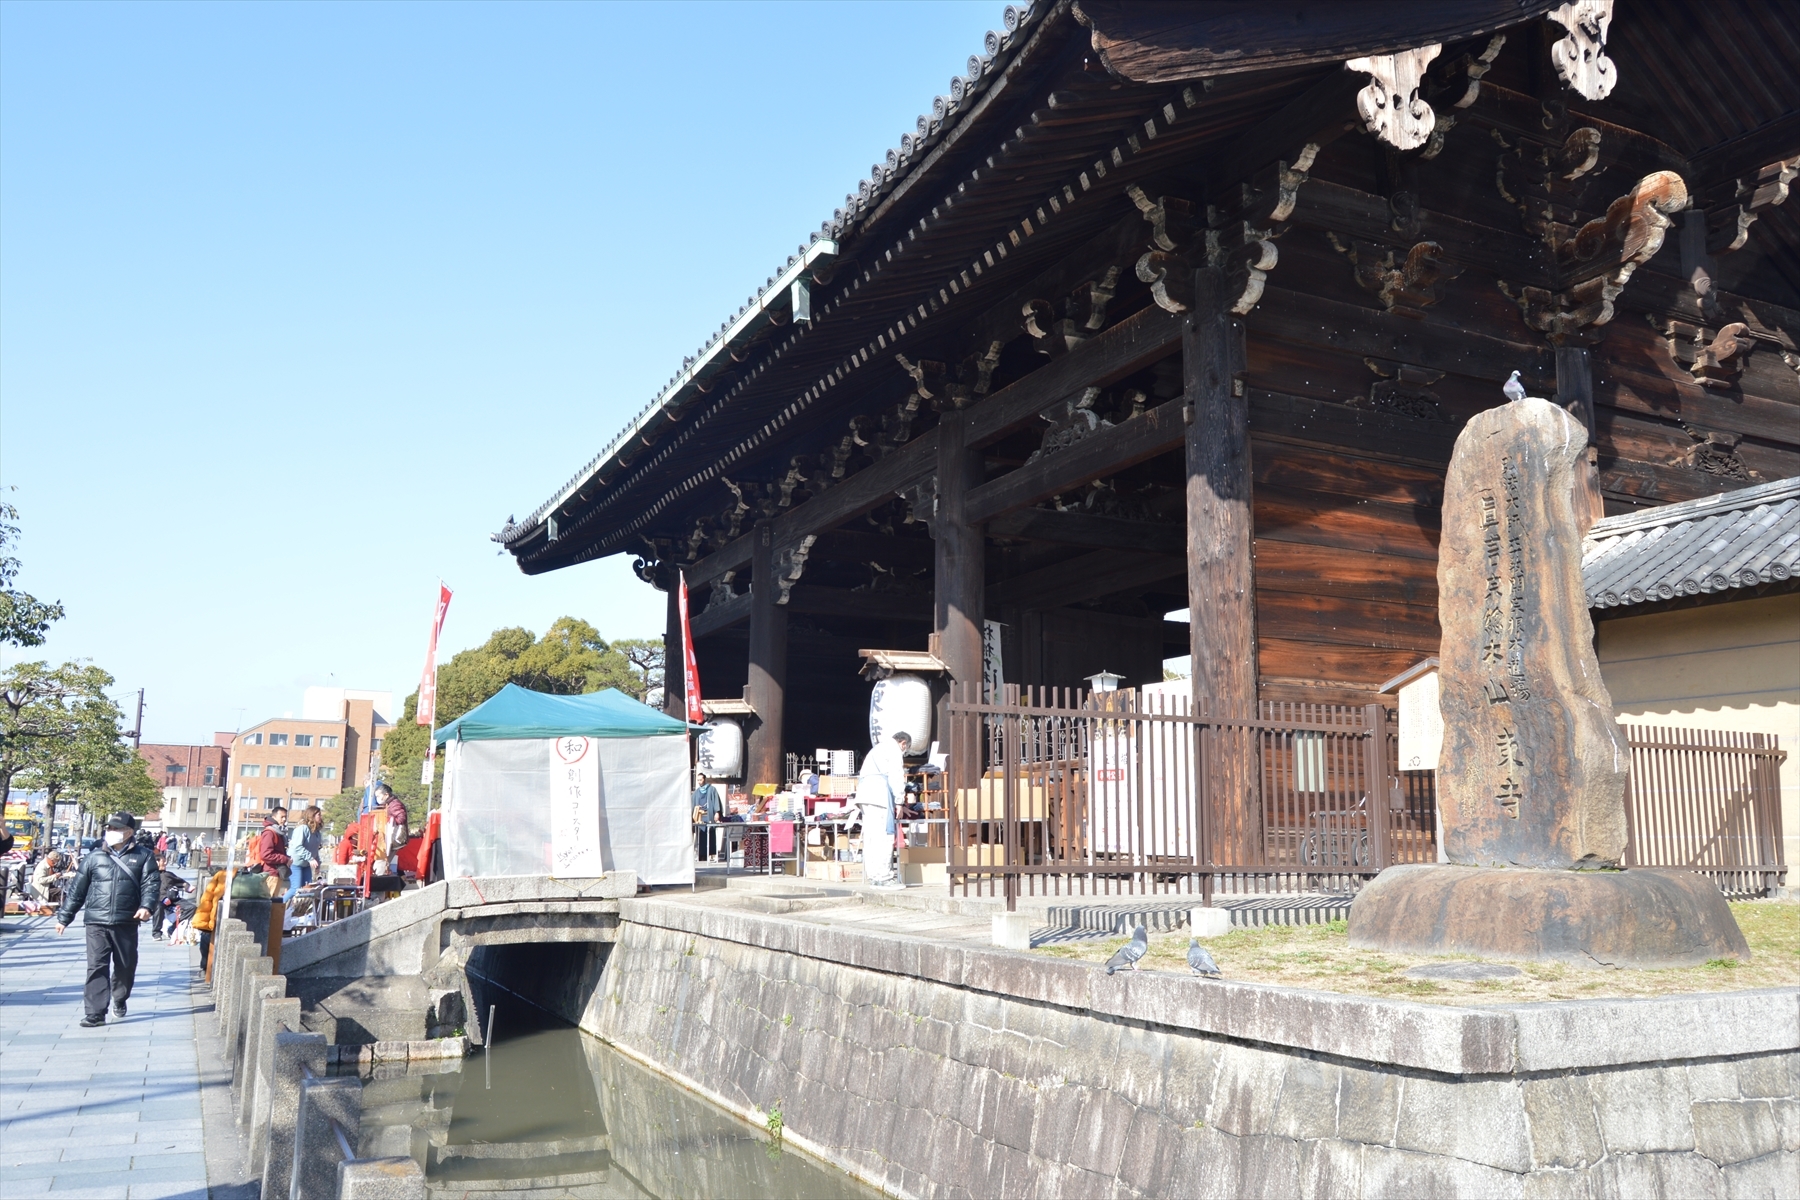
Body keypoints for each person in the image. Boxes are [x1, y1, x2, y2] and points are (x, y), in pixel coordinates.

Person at [55, 812, 160, 1027]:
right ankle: (95, 1013)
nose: (111, 832)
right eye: (109, 828)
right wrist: (64, 918)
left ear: (129, 832)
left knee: (125, 965)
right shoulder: (94, 857)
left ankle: (120, 998)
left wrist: (146, 906)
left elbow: (151, 884)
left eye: (116, 828)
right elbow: (77, 890)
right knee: (96, 966)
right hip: (96, 920)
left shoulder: (144, 856)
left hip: (126, 920)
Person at [857, 731, 912, 890]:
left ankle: (874, 876)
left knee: (871, 837)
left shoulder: (876, 749)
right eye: (905, 749)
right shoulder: (893, 749)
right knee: (884, 835)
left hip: (864, 795)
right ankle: (884, 877)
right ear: (903, 743)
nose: (904, 752)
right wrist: (899, 801)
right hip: (879, 794)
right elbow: (896, 775)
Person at [284, 806, 324, 905]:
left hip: (306, 864)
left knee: (307, 890)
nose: (320, 816)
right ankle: (278, 905)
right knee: (296, 889)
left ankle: (298, 912)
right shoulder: (302, 828)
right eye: (318, 814)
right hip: (295, 863)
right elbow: (298, 846)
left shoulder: (316, 832)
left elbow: (315, 850)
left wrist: (317, 863)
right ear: (312, 815)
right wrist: (310, 858)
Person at [191, 867, 226, 972]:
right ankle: (206, 964)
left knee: (206, 936)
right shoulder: (221, 884)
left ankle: (205, 965)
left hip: (208, 921)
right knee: (207, 937)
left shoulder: (213, 886)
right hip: (210, 920)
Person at [255, 807, 292, 896]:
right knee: (269, 901)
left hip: (275, 872)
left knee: (272, 902)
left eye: (285, 817)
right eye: (282, 817)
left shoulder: (277, 831)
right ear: (274, 817)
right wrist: (285, 859)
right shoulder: (270, 832)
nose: (284, 819)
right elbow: (266, 855)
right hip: (271, 873)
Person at [691, 773, 725, 863]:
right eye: (698, 780)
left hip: (709, 815)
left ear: (704, 779)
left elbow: (716, 802)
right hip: (700, 817)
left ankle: (711, 854)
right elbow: (692, 805)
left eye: (701, 780)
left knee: (711, 835)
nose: (699, 782)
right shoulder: (696, 792)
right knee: (701, 835)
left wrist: (717, 812)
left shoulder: (712, 789)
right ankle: (701, 855)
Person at [377, 785, 410, 877]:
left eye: (379, 796)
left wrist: (389, 821)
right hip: (389, 837)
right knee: (385, 860)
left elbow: (401, 818)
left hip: (392, 837)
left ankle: (381, 878)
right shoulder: (389, 804)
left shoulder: (395, 804)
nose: (378, 799)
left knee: (384, 860)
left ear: (386, 794)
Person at [154, 859, 190, 941]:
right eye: (163, 861)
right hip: (159, 899)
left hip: (173, 899)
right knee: (158, 907)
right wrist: (163, 898)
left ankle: (172, 928)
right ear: (156, 862)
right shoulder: (151, 875)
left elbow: (182, 882)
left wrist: (187, 887)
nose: (165, 863)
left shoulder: (168, 874)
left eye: (165, 861)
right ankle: (156, 932)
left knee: (191, 908)